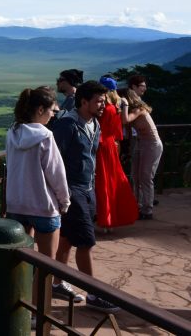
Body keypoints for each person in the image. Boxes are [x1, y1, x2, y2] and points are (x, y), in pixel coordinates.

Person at [51, 80, 120, 313]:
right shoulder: (67, 125)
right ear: (83, 101)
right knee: (86, 242)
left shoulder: (94, 123)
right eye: (99, 101)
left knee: (67, 240)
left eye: (104, 100)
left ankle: (57, 283)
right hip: (73, 191)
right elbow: (54, 160)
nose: (103, 105)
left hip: (87, 188)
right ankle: (94, 294)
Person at [5, 86, 70, 327]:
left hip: (17, 205)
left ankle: (15, 306)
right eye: (52, 110)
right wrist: (64, 201)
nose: (54, 114)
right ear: (40, 109)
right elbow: (56, 174)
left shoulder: (12, 132)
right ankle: (37, 315)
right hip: (43, 207)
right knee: (46, 264)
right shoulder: (45, 136)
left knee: (20, 262)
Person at [94, 76, 139, 231]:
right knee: (112, 181)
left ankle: (106, 219)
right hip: (112, 146)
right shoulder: (115, 107)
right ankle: (111, 220)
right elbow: (119, 134)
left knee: (102, 183)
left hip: (101, 146)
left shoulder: (103, 109)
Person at [120, 89, 163, 220]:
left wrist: (124, 105)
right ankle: (136, 205)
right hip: (140, 143)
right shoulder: (129, 112)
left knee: (145, 176)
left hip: (152, 144)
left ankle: (147, 209)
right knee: (135, 176)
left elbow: (126, 120)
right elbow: (125, 131)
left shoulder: (139, 110)